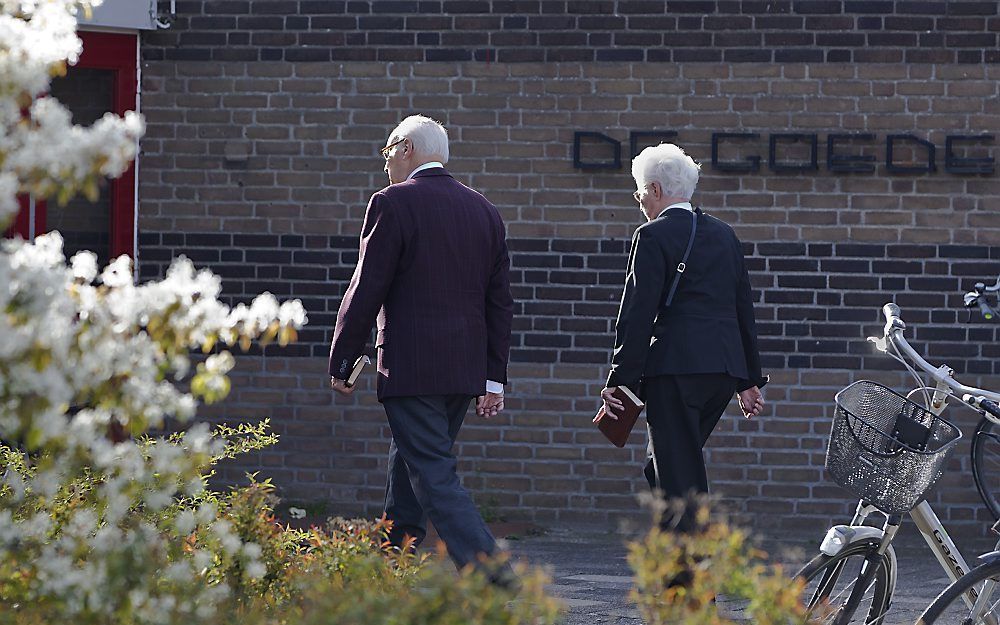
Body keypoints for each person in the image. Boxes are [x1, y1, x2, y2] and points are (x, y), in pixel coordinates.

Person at [328, 115, 515, 580]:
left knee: (433, 472)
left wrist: (343, 357)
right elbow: (500, 303)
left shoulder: (392, 203)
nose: (386, 161)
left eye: (388, 150)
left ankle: (493, 574)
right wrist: (493, 378)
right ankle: (396, 560)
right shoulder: (484, 209)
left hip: (412, 367)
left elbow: (367, 287)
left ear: (406, 148)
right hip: (463, 370)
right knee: (412, 456)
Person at [601, 143, 767, 533]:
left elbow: (637, 314)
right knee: (663, 466)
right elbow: (744, 309)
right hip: (721, 373)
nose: (640, 200)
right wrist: (748, 380)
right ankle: (674, 579)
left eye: (640, 191)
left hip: (676, 372)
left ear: (655, 190)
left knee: (681, 484)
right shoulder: (725, 235)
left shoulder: (652, 235)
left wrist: (620, 380)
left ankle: (693, 589)